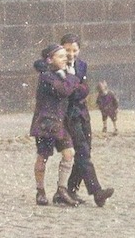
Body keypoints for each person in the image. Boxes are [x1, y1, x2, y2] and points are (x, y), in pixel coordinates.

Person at [47, 33, 114, 206]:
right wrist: (75, 88)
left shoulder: (82, 65)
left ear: (79, 50)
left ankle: (69, 190)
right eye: (67, 50)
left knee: (86, 151)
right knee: (82, 150)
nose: (71, 54)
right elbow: (68, 92)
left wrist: (76, 88)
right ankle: (97, 191)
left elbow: (84, 90)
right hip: (68, 115)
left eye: (74, 50)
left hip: (83, 113)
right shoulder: (58, 67)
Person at [30, 43, 83, 206]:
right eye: (60, 56)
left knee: (69, 153)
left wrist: (71, 78)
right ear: (50, 59)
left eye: (64, 56)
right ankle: (40, 191)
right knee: (43, 156)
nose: (65, 59)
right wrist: (73, 77)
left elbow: (79, 91)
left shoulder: (62, 74)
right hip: (46, 123)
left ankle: (61, 189)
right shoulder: (47, 76)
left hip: (59, 123)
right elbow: (65, 90)